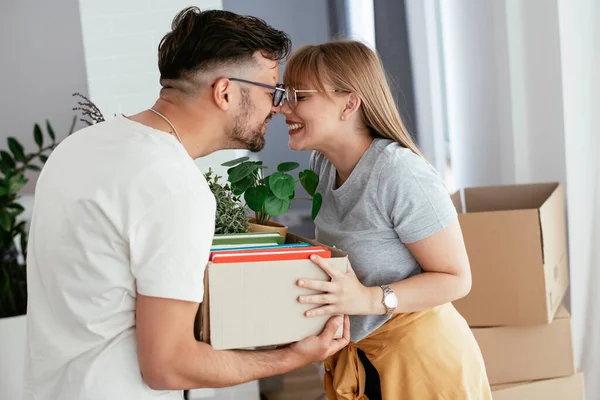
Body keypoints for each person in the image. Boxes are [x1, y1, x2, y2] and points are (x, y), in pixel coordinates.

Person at [23, 8, 349, 400]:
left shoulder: (79, 147)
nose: (278, 108)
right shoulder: (173, 186)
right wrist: (293, 357)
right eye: (272, 92)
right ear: (225, 92)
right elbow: (169, 365)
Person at [281, 40, 492, 399]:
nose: (284, 108)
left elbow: (457, 279)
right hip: (363, 361)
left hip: (422, 366)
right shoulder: (324, 165)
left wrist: (366, 300)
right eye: (285, 95)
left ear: (349, 103)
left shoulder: (399, 174)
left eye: (299, 96)